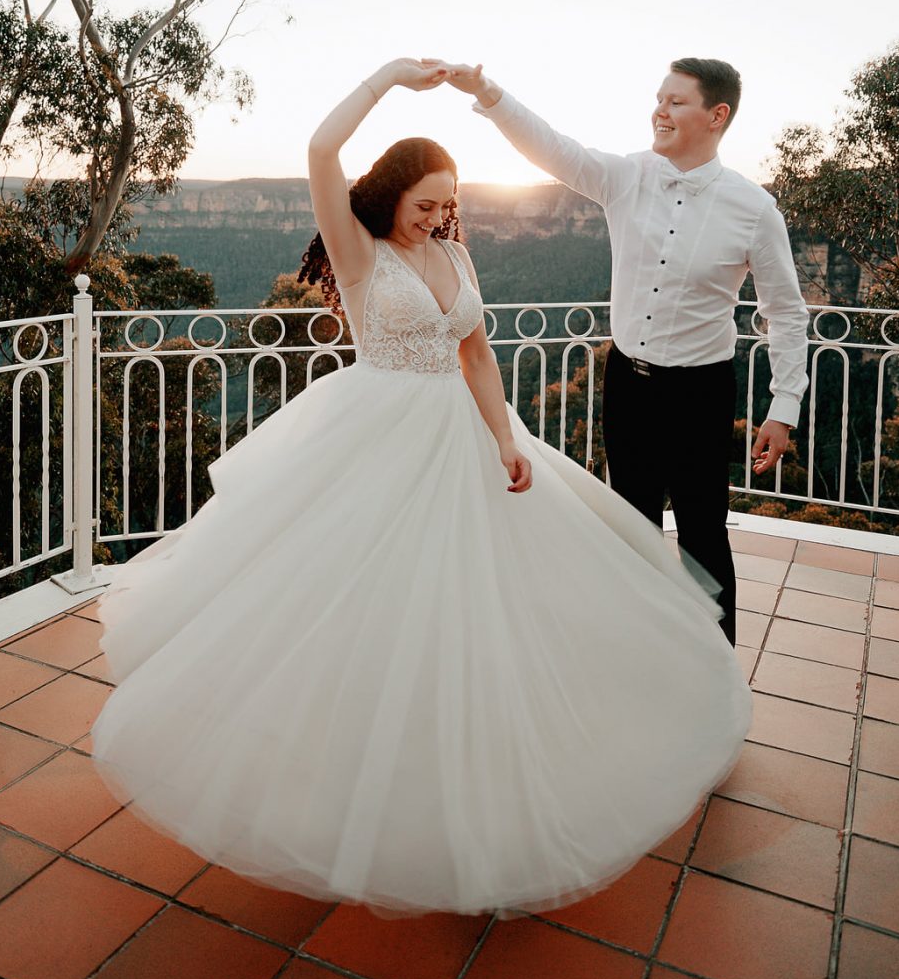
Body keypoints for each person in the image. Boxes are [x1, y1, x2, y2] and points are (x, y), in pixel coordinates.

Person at [91, 57, 751, 916]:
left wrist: (506, 438)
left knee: (478, 609)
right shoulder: (358, 251)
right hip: (374, 440)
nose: (439, 216)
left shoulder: (456, 256)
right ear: (391, 192)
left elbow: (476, 355)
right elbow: (321, 149)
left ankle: (465, 779)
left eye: (449, 204)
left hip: (462, 441)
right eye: (426, 202)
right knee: (359, 609)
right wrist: (390, 79)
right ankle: (334, 780)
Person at [441, 58, 811, 646]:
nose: (659, 111)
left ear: (717, 115)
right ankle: (639, 658)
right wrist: (487, 91)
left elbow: (786, 311)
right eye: (659, 98)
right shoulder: (626, 176)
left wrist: (784, 405)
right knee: (631, 530)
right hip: (628, 384)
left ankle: (715, 671)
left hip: (700, 391)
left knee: (703, 535)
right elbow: (553, 148)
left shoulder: (754, 210)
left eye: (676, 101)